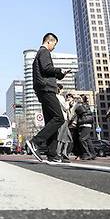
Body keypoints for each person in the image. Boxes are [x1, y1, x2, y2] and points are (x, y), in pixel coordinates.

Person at [27, 33, 69, 163]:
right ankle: (35, 142)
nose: (54, 48)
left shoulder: (40, 54)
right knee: (59, 118)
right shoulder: (44, 52)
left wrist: (60, 74)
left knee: (51, 121)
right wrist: (59, 70)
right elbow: (47, 68)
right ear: (49, 41)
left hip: (43, 89)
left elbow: (47, 72)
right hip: (47, 90)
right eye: (54, 44)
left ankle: (52, 154)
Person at [74, 96, 96, 160]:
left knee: (82, 139)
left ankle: (87, 154)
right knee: (88, 140)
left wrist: (76, 104)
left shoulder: (84, 106)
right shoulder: (82, 105)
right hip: (83, 124)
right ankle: (93, 154)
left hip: (86, 124)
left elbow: (78, 111)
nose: (78, 99)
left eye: (79, 98)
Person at [55, 85, 73, 163]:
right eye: (61, 89)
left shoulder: (54, 97)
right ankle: (59, 154)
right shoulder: (60, 97)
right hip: (63, 120)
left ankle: (63, 153)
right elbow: (65, 107)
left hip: (60, 119)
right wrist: (68, 102)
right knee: (62, 138)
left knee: (66, 138)